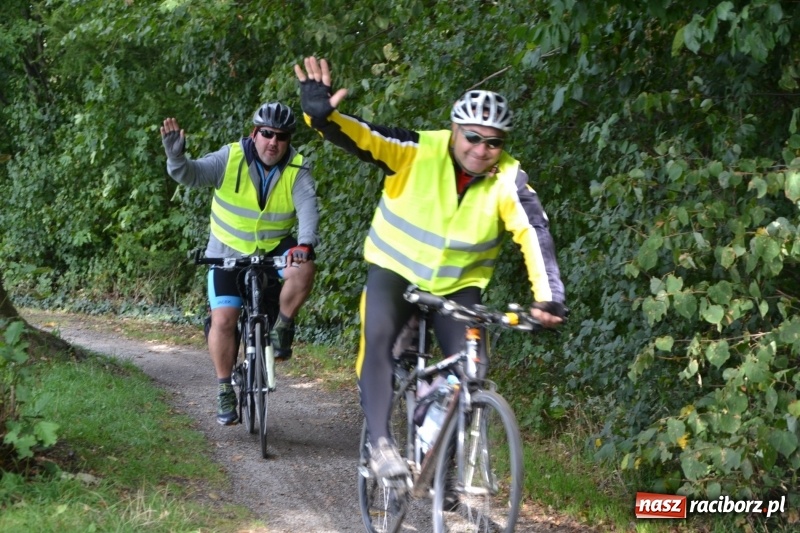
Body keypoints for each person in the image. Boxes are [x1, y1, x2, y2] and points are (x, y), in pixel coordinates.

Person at [293, 57, 566, 479]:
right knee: (379, 338)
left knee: (471, 369)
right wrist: (323, 118)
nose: (481, 148)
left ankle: (448, 471)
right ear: (455, 130)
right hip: (395, 273)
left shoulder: (508, 178)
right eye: (472, 136)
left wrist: (548, 297)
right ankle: (380, 445)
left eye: (493, 142)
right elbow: (366, 136)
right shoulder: (418, 150)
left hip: (458, 288)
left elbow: (534, 232)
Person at [160, 102, 319, 426]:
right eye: (267, 134)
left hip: (274, 247)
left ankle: (282, 328)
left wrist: (304, 245)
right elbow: (190, 174)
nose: (273, 142)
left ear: (289, 140)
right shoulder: (230, 157)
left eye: (282, 136)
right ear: (254, 134)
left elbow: (308, 210)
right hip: (227, 250)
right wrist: (176, 158)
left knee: (304, 269)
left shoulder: (297, 168)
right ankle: (224, 389)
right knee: (223, 320)